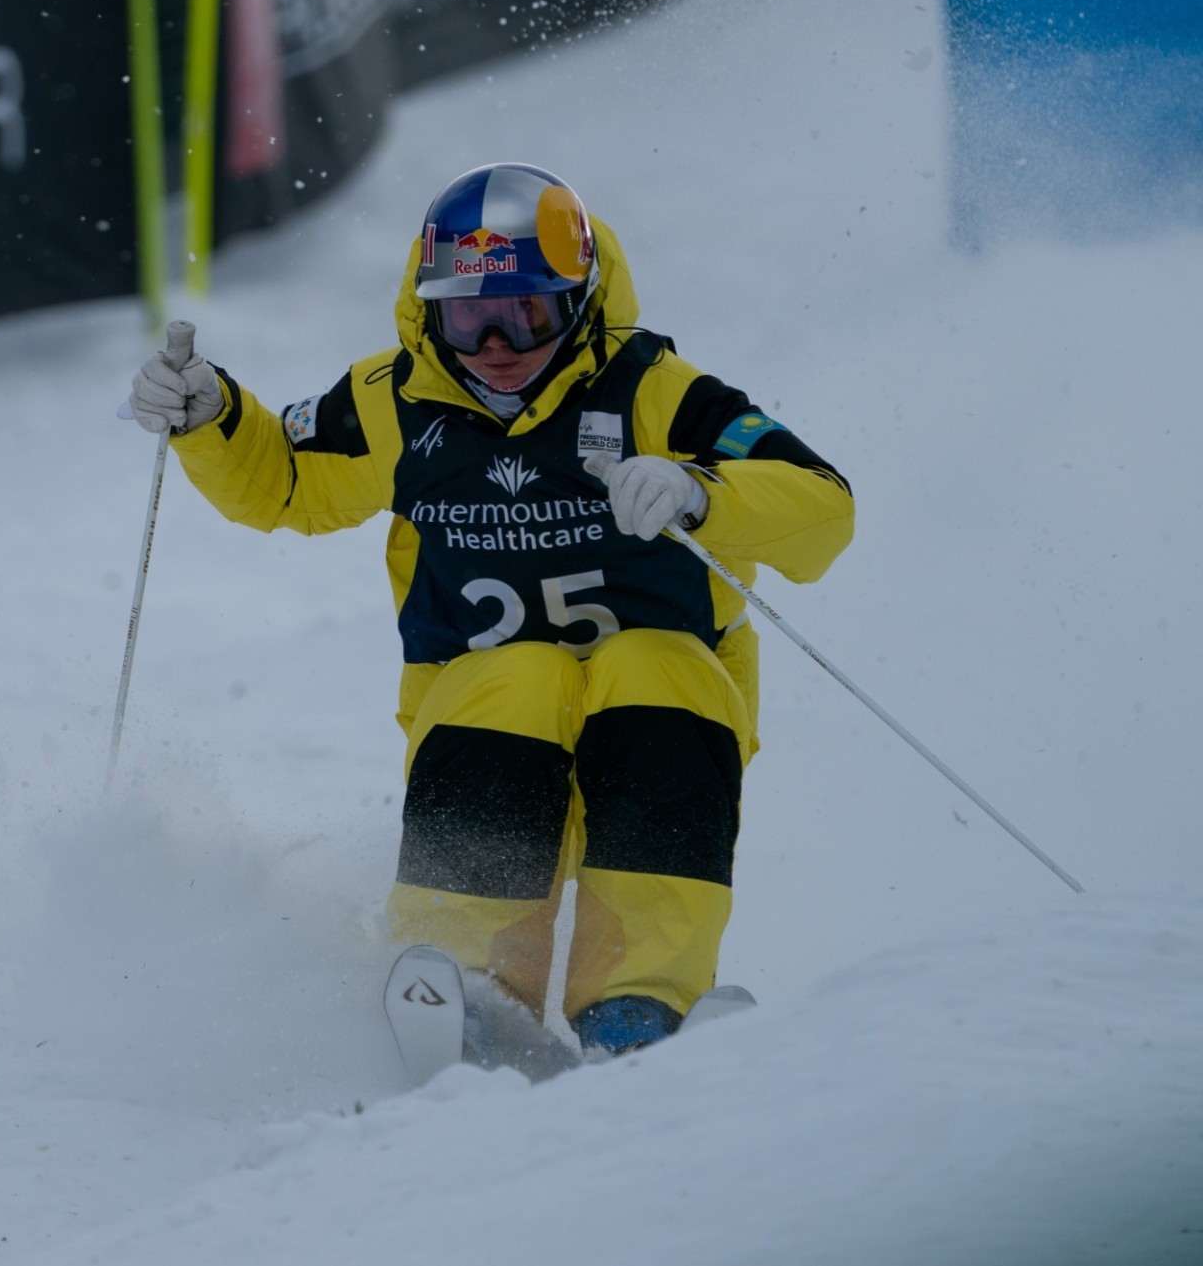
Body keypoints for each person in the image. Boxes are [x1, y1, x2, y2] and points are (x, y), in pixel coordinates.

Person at [124, 162, 854, 1065]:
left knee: (652, 664)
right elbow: (286, 479)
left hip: (665, 703)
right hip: (482, 704)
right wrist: (213, 417)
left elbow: (824, 507)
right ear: (432, 311)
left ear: (579, 303)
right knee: (517, 674)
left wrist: (700, 492)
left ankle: (639, 1003)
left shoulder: (659, 394)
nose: (498, 343)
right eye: (468, 315)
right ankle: (469, 988)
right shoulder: (400, 397)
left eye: (530, 312)